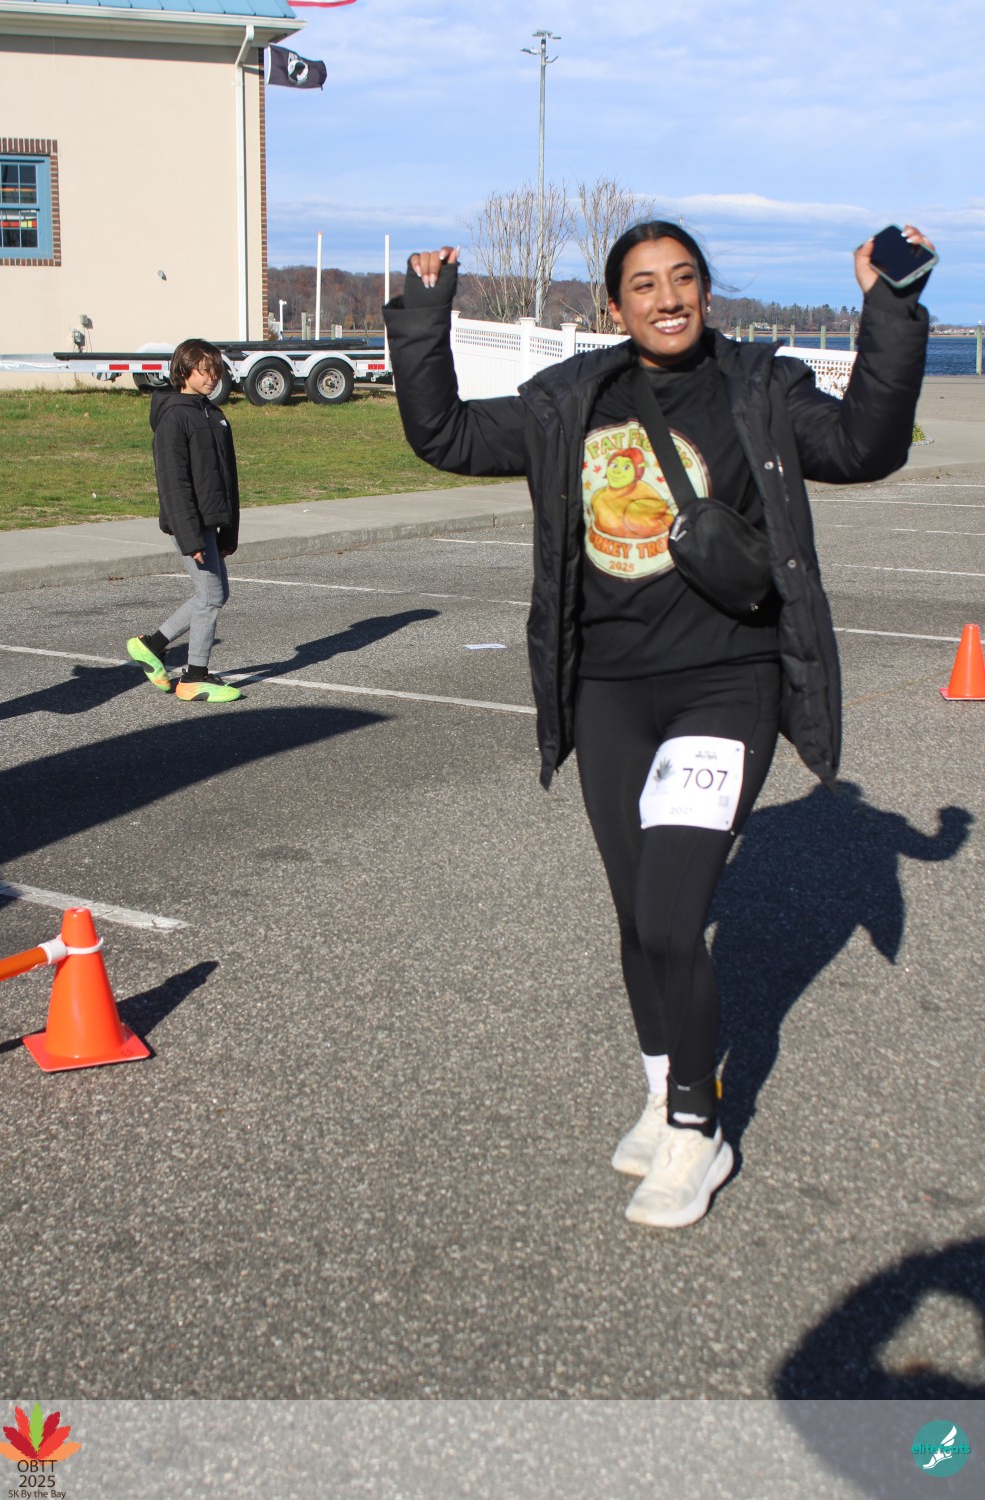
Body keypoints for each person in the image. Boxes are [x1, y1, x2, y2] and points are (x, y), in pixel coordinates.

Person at [384, 220, 932, 1228]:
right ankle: (657, 1093)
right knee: (638, 915)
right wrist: (424, 317)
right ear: (615, 306)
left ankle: (696, 1125)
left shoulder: (760, 387)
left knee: (676, 916)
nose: (666, 297)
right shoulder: (569, 400)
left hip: (725, 685)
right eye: (643, 284)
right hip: (609, 691)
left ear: (707, 294)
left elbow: (866, 445)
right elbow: (446, 437)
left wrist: (889, 309)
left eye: (683, 278)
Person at [127, 337, 242, 703]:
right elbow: (173, 485)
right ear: (184, 371)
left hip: (210, 522)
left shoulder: (214, 414)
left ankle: (151, 645)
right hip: (188, 523)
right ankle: (194, 677)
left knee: (216, 594)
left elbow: (228, 478)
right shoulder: (174, 417)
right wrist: (190, 538)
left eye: (216, 371)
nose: (212, 377)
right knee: (210, 597)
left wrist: (229, 533)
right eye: (204, 371)